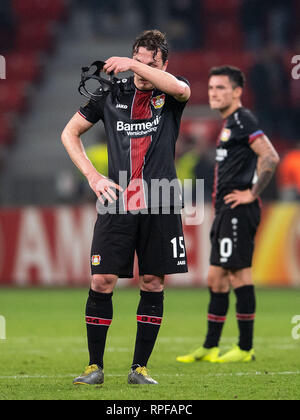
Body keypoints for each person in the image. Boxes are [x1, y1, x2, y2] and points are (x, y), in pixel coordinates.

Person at [61, 30, 191, 385]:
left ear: (163, 64)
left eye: (150, 63)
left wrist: (134, 64)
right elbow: (69, 133)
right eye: (137, 60)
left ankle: (139, 368)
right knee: (101, 279)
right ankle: (94, 367)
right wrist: (92, 176)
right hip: (118, 200)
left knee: (152, 281)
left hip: (161, 200)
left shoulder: (172, 92)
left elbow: (182, 89)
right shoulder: (110, 95)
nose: (141, 70)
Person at [177, 66, 279, 364]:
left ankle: (245, 348)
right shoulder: (228, 124)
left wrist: (252, 193)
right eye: (210, 88)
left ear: (237, 92)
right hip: (225, 211)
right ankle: (210, 346)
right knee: (215, 278)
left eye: (221, 88)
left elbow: (270, 156)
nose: (213, 93)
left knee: (238, 274)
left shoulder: (243, 119)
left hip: (239, 210)